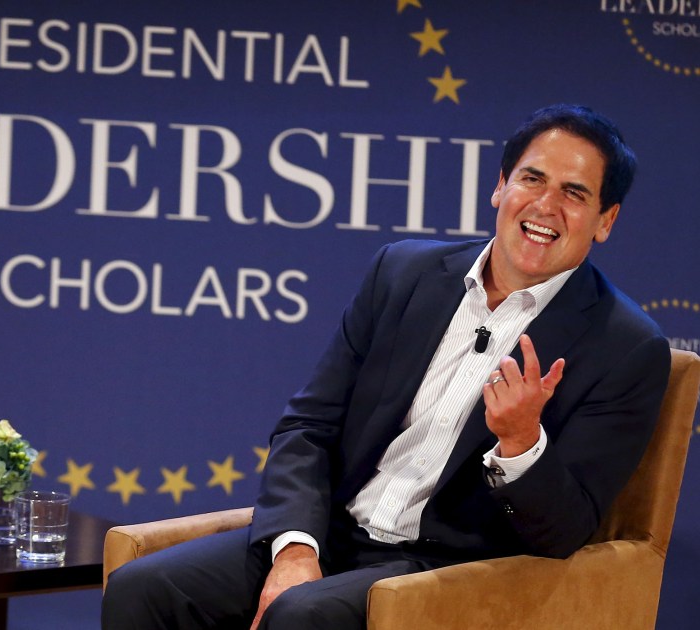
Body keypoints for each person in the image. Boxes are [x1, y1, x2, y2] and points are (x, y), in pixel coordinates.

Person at [101, 104, 671, 630]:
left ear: (605, 219)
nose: (546, 206)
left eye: (574, 192)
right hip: (334, 532)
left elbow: (565, 533)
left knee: (304, 616)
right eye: (532, 179)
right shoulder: (403, 273)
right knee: (142, 589)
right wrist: (297, 549)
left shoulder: (624, 347)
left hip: (444, 568)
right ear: (500, 186)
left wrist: (521, 445)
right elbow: (308, 427)